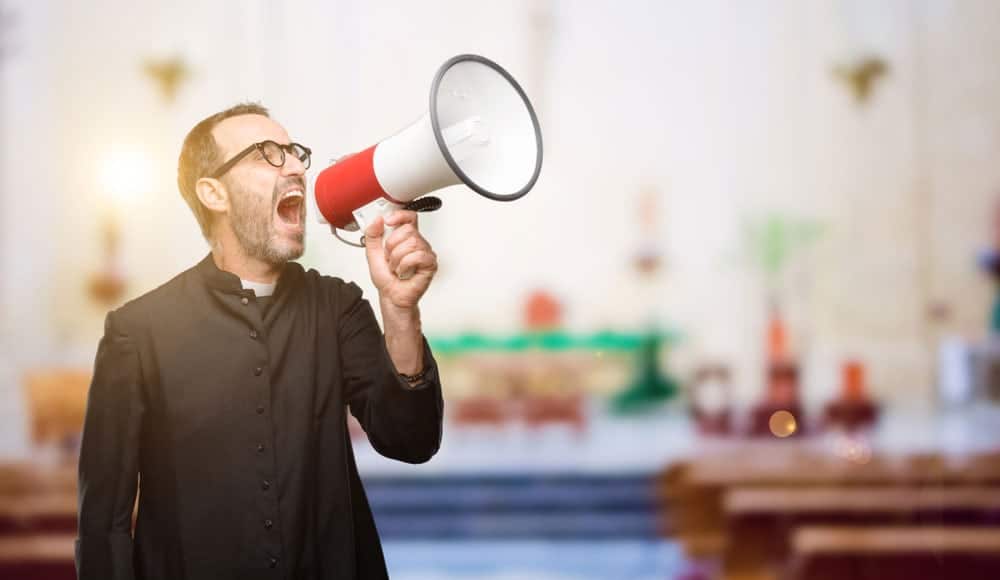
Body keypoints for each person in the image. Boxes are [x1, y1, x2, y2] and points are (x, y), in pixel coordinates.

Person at [75, 103, 443, 580]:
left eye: (293, 153)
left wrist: (399, 309)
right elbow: (104, 522)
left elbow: (411, 441)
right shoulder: (137, 331)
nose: (294, 167)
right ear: (213, 192)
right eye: (266, 154)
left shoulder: (337, 306)